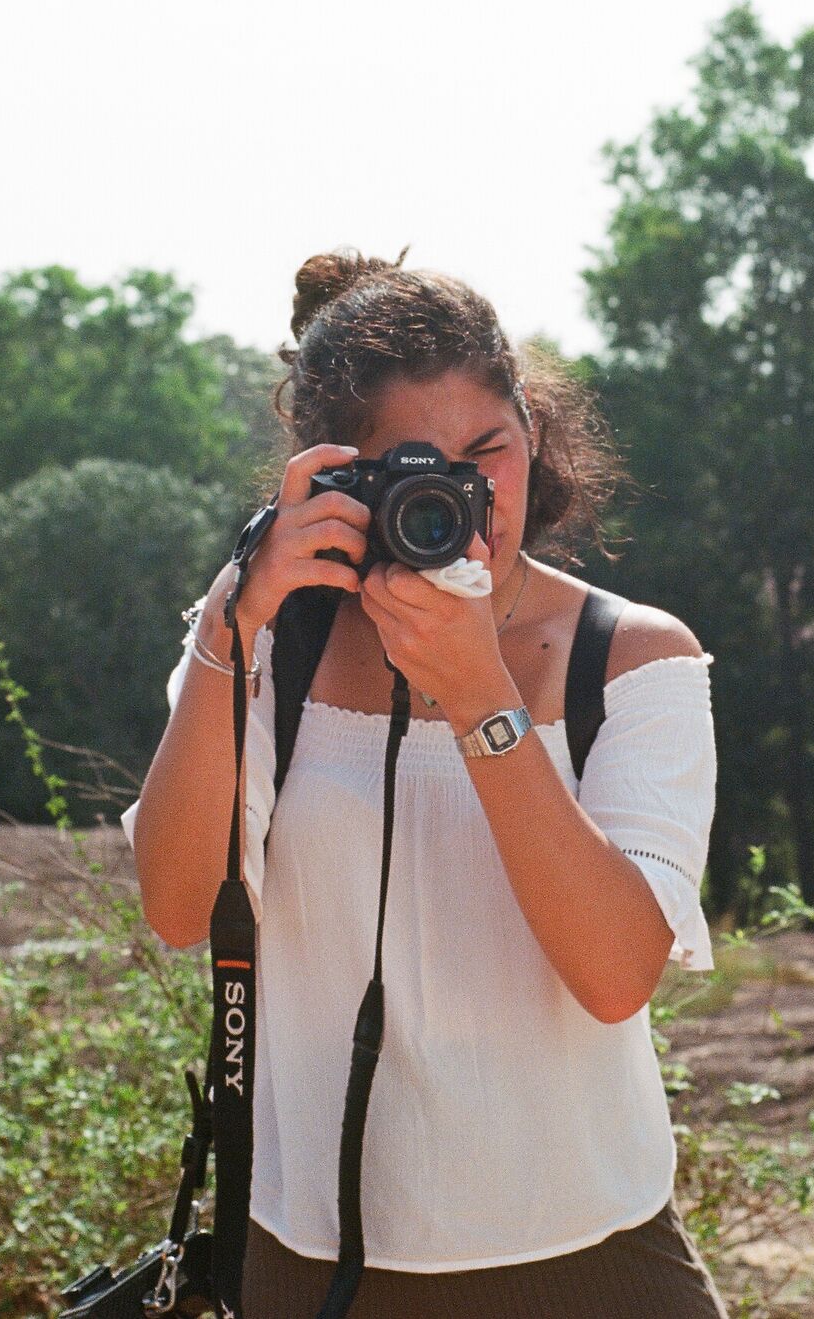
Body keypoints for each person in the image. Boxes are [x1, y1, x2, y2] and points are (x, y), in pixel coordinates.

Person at [123, 247, 730, 1317]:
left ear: (533, 435)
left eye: (487, 450)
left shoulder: (630, 658)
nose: (464, 495)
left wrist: (478, 697)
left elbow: (614, 973)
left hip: (591, 1252)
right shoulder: (268, 640)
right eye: (415, 466)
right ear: (340, 475)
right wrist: (231, 625)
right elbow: (177, 906)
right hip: (315, 1253)